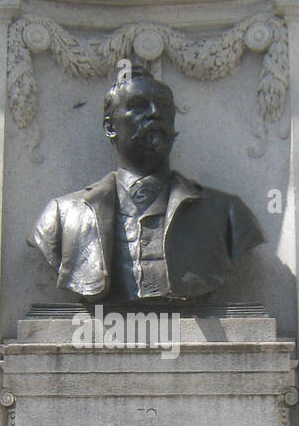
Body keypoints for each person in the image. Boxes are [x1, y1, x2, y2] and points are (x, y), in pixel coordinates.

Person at [28, 69, 264, 302]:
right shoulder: (62, 214)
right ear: (110, 127)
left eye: (163, 106)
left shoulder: (226, 212)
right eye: (139, 106)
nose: (155, 114)